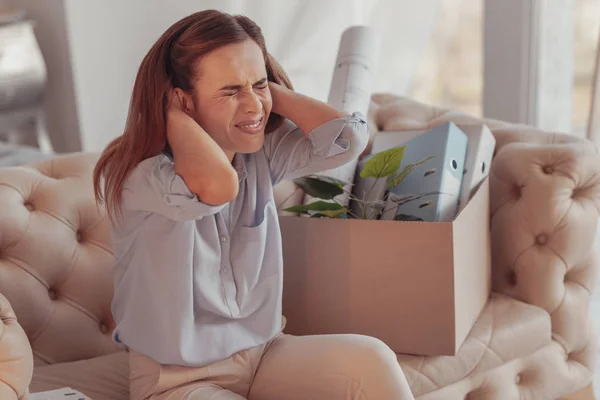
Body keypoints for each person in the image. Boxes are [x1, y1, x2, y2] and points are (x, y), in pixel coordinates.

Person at [93, 9, 414, 400]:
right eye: (229, 91)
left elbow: (348, 141)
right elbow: (217, 187)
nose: (253, 108)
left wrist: (265, 92)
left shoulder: (259, 152)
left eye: (259, 84)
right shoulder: (141, 176)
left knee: (372, 360)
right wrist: (170, 114)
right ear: (182, 101)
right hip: (177, 380)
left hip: (262, 354)